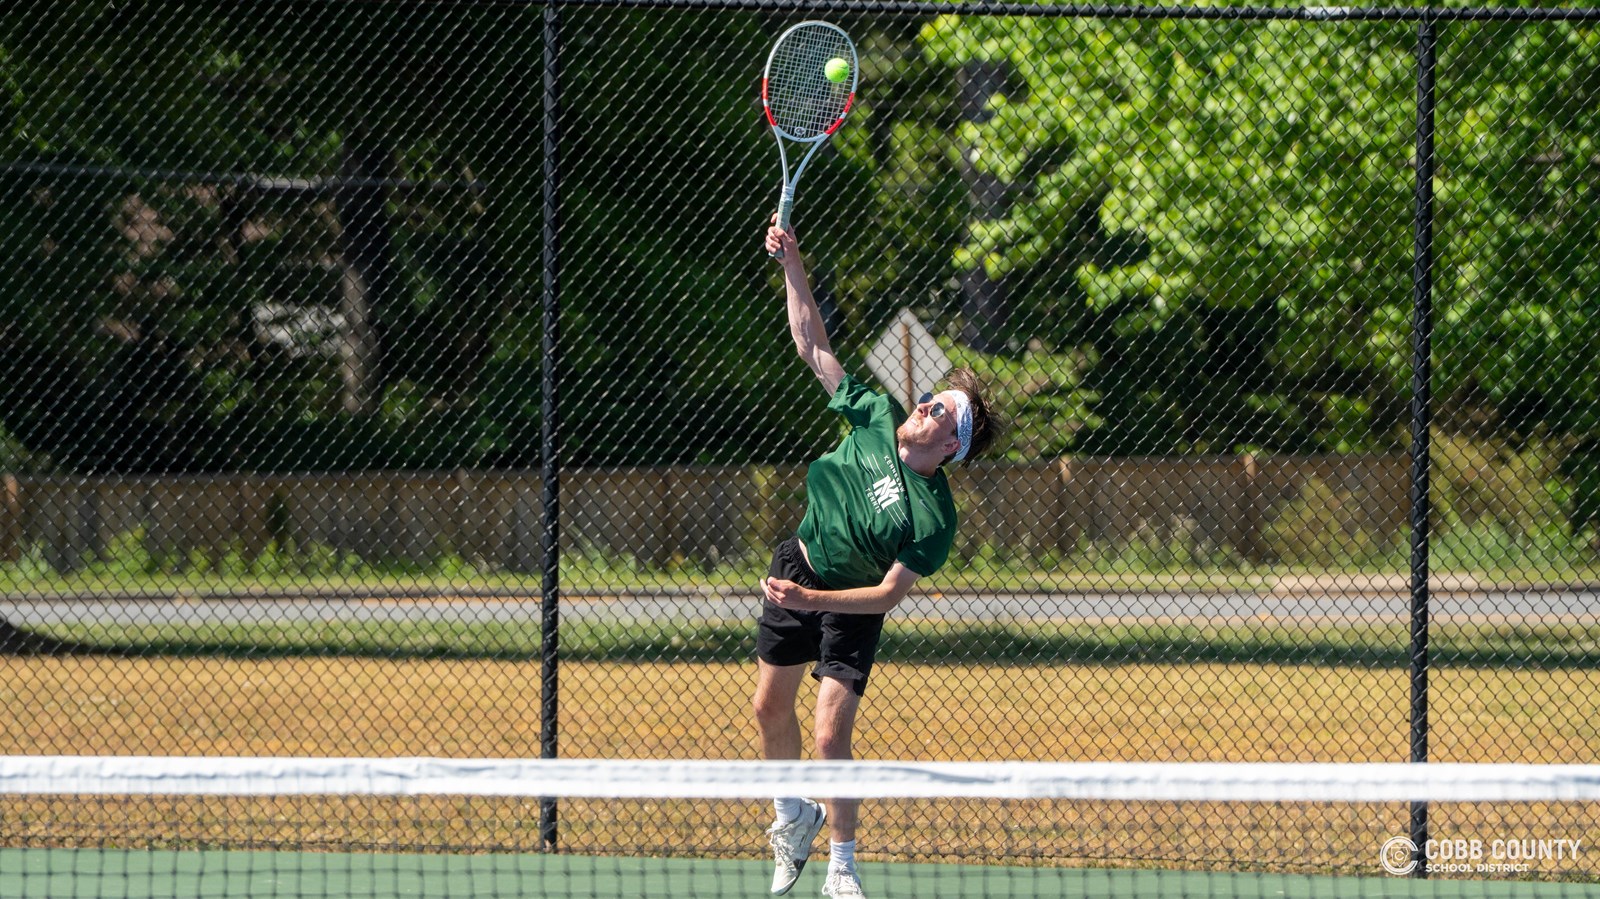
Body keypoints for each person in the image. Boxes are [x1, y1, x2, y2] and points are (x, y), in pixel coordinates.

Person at [754, 220, 999, 899]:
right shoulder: (868, 414)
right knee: (768, 709)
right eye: (932, 399)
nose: (927, 405)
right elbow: (810, 341)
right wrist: (794, 259)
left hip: (850, 604)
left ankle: (842, 868)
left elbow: (889, 594)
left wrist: (818, 605)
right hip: (798, 564)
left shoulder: (935, 515)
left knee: (831, 735)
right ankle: (790, 814)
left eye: (944, 411)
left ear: (951, 444)